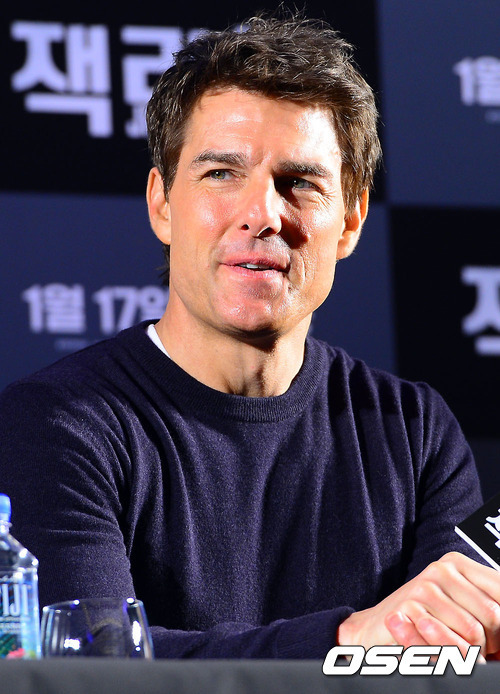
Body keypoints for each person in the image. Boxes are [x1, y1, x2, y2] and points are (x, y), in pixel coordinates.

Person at [1, 14, 499, 660]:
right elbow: (93, 663)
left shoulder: (415, 432)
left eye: (301, 183)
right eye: (220, 174)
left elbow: (458, 660)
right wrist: (347, 640)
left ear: (350, 220)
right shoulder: (53, 424)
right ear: (161, 204)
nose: (262, 215)